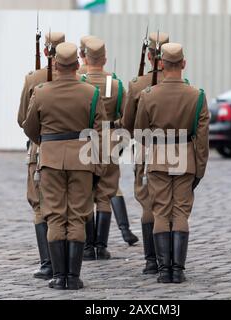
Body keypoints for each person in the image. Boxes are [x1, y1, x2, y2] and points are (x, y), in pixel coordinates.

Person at [23, 42, 107, 290]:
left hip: (50, 160)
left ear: (56, 64)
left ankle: (59, 276)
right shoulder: (91, 93)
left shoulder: (41, 92)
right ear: (76, 64)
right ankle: (74, 276)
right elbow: (100, 132)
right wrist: (98, 167)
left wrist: (48, 143)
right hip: (82, 160)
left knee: (55, 216)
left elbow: (29, 127)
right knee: (78, 218)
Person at [134, 43, 209, 284]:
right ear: (184, 64)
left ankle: (164, 270)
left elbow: (140, 133)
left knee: (160, 212)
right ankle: (178, 270)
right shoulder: (197, 96)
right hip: (185, 158)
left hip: (158, 159)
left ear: (162, 64)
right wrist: (199, 168)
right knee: (180, 213)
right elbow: (202, 139)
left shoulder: (148, 94)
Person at [80, 38, 139, 261]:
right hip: (110, 141)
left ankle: (87, 247)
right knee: (105, 195)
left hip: (84, 142)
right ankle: (100, 247)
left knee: (85, 194)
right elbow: (126, 116)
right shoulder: (115, 84)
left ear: (85, 58)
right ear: (104, 59)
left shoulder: (79, 82)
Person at [17, 32, 65, 280]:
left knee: (39, 205)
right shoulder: (79, 79)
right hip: (75, 151)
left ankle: (48, 262)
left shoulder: (33, 79)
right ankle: (66, 264)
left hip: (41, 148)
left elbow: (22, 120)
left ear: (46, 52)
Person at [121, 31, 169, 275]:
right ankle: (169, 262)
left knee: (149, 206)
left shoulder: (138, 85)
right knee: (171, 206)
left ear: (150, 56)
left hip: (146, 150)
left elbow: (127, 123)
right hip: (175, 151)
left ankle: (152, 260)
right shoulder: (184, 85)